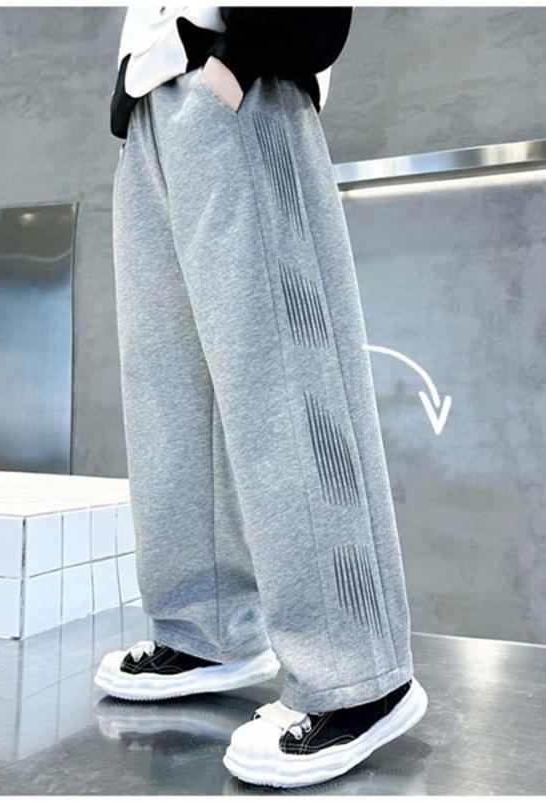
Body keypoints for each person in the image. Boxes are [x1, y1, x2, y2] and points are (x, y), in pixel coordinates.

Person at [95, 5, 427, 788]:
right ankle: (206, 628)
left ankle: (360, 676)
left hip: (239, 79)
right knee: (170, 393)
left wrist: (247, 57)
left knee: (288, 378)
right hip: (152, 107)